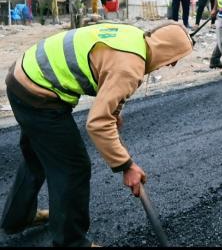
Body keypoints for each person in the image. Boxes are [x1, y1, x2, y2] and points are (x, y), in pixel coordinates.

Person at [1, 21, 193, 246]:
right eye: (174, 58)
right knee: (73, 168)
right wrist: (126, 166)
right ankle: (71, 242)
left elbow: (107, 78)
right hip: (38, 94)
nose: (171, 65)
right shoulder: (130, 66)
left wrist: (114, 111)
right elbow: (98, 123)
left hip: (22, 75)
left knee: (38, 157)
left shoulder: (134, 38)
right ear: (166, 51)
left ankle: (17, 218)